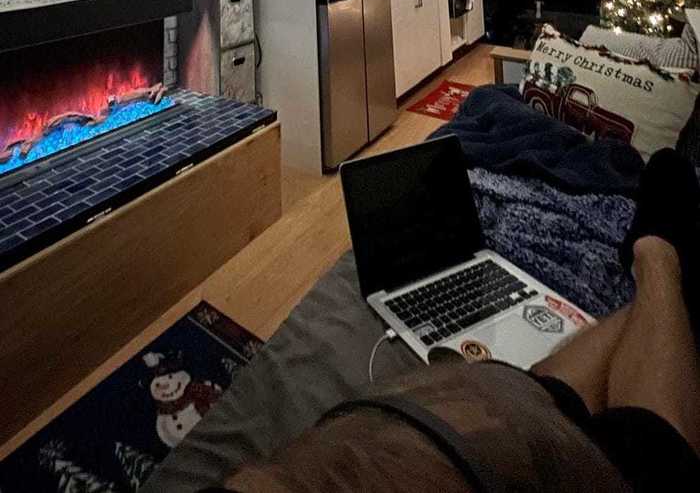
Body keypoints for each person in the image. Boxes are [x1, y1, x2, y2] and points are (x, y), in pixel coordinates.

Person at [203, 149, 700, 492]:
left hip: (375, 448)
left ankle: (656, 269)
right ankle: (659, 257)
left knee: (530, 392)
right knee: (654, 446)